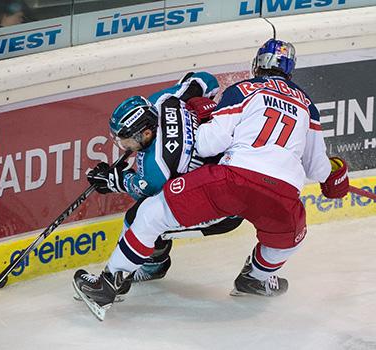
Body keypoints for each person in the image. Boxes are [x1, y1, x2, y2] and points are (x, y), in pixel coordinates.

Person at [73, 39, 350, 320]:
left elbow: (207, 145)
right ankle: (255, 278)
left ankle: (108, 285)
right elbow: (316, 169)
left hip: (234, 180)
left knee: (149, 214)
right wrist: (335, 174)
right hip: (283, 194)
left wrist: (204, 118)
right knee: (289, 240)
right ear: (290, 70)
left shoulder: (243, 89)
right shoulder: (307, 105)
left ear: (257, 64)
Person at [85, 72, 243, 283]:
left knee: (141, 217)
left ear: (146, 134)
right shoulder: (162, 101)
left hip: (226, 209)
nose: (124, 147)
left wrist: (113, 179)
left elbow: (139, 187)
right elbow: (206, 81)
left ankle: (148, 269)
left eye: (127, 142)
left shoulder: (157, 167)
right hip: (235, 167)